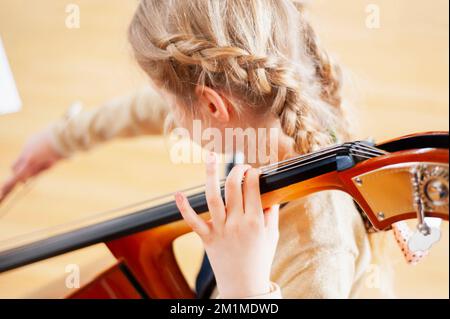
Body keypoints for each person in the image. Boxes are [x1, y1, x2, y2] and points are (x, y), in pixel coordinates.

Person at [0, 0, 371, 298]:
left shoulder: (318, 250)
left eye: (171, 104)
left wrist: (244, 289)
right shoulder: (262, 114)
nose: (167, 115)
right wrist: (59, 140)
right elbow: (144, 108)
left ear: (212, 106)